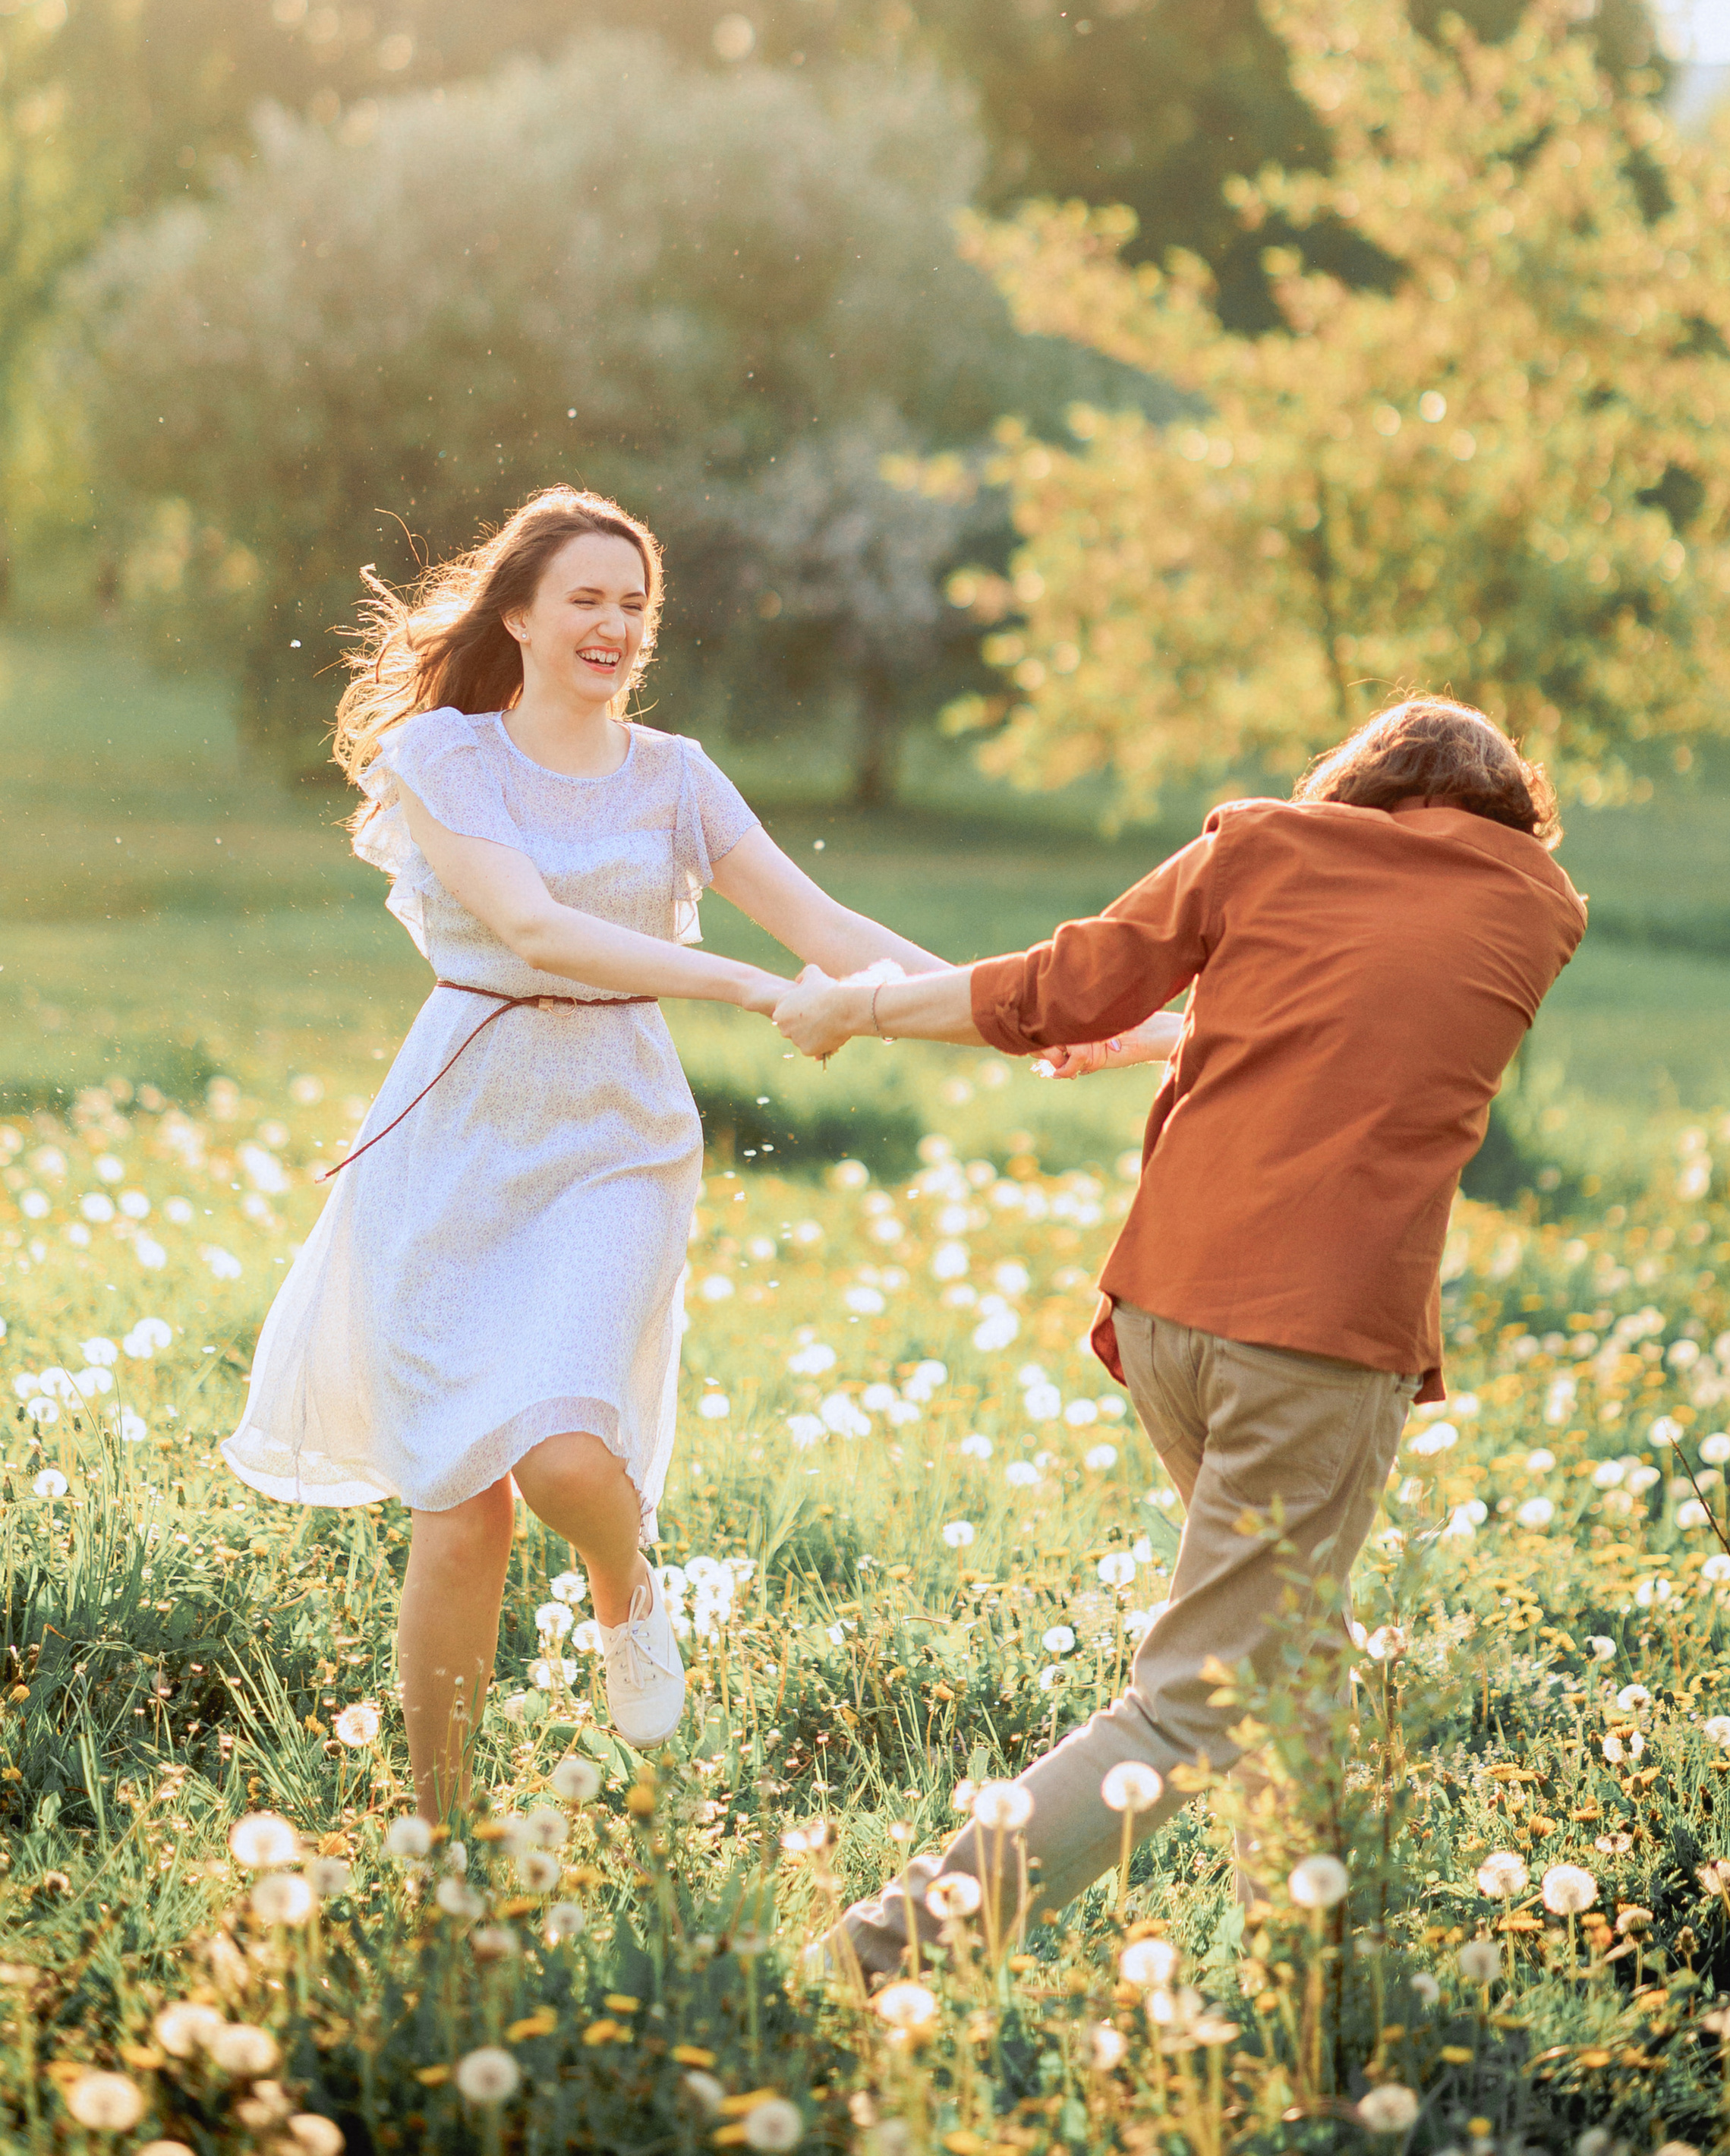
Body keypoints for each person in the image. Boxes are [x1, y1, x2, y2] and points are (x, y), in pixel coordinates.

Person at [771, 695, 1587, 1982]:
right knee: (1194, 1701)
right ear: (1510, 819)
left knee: (1296, 1651)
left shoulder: (1264, 846)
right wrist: (1159, 1041)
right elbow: (1364, 1027)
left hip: (1169, 1315)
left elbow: (1062, 987)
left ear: (1354, 791)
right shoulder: (1540, 909)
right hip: (1318, 1345)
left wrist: (862, 1010)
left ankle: (1306, 1973)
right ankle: (868, 1963)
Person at [222, 485, 951, 1825]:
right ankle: (445, 1836)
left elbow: (829, 922)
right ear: (520, 613)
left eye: (636, 605)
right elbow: (534, 926)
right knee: (458, 1509)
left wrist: (1044, 1011)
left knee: (561, 1454)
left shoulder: (676, 777)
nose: (615, 625)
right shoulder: (446, 758)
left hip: (616, 1137)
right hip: (454, 1137)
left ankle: (629, 1591)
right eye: (588, 600)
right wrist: (744, 990)